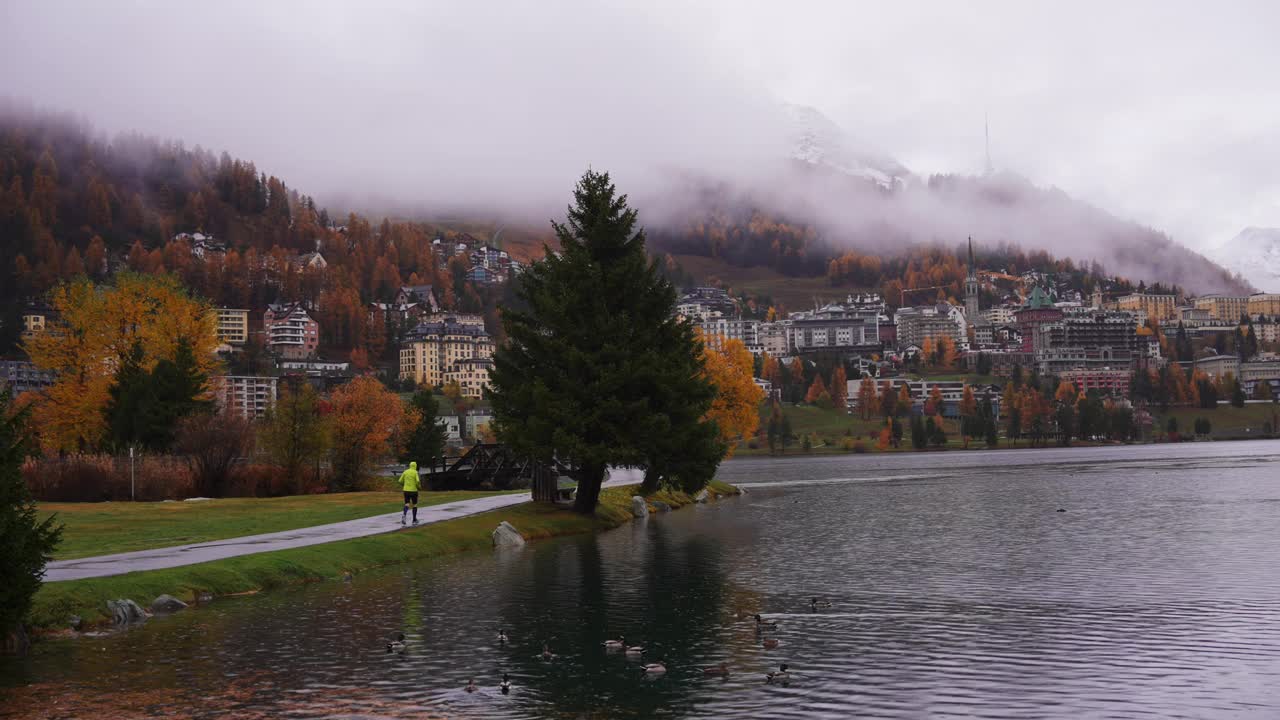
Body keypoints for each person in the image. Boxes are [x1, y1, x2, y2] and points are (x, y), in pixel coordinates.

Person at [399, 461, 421, 525]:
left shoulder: (405, 472)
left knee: (407, 504)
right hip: (413, 491)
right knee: (414, 504)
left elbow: (400, 481)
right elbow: (417, 481)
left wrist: (404, 485)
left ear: (410, 466)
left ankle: (404, 515)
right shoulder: (415, 472)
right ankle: (414, 519)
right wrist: (418, 487)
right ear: (415, 466)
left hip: (406, 490)